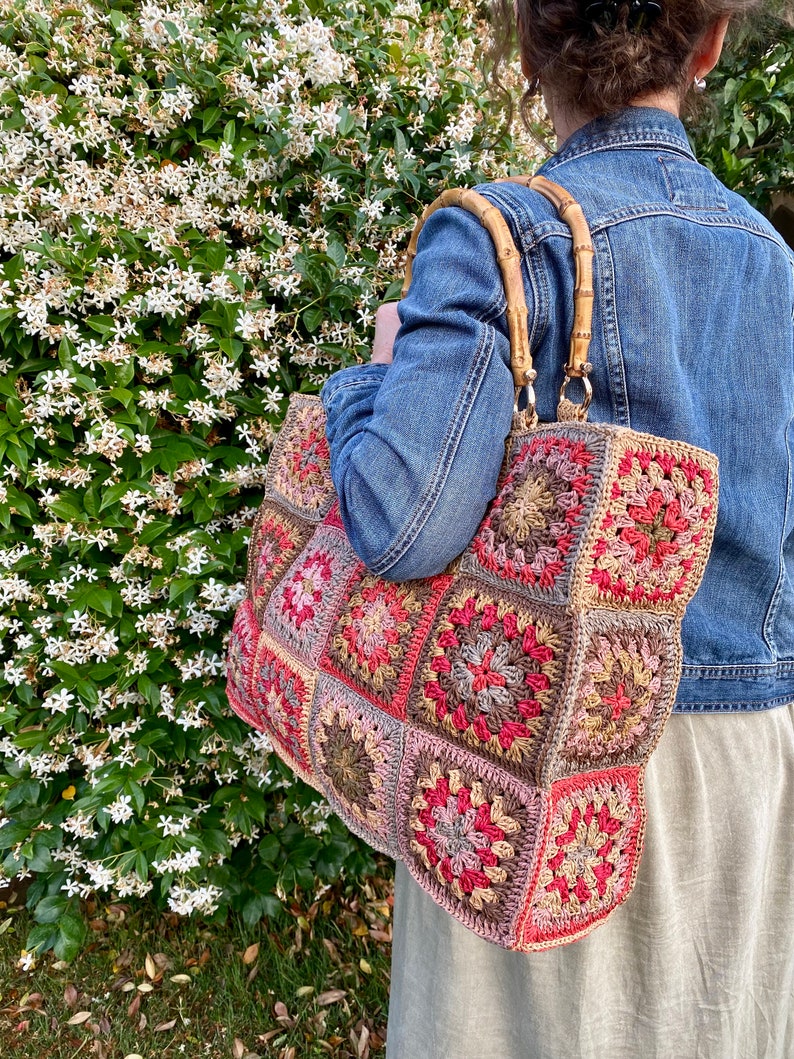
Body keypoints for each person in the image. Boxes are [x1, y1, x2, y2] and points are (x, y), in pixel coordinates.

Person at [320, 0, 794, 1055]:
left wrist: (365, 387)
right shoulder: (773, 261)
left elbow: (403, 528)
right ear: (709, 42)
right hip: (743, 766)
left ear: (526, 44)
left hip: (548, 755)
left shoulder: (500, 236)